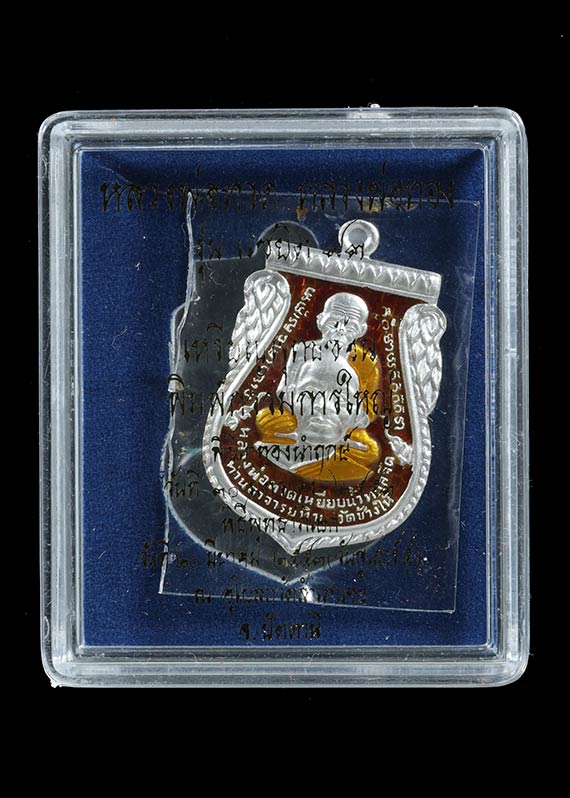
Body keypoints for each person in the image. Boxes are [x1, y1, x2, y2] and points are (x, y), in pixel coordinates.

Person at [256, 292, 381, 482]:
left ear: (362, 330)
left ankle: (308, 460)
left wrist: (342, 423)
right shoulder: (302, 350)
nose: (340, 330)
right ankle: (314, 456)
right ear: (320, 320)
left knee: (370, 450)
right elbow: (285, 390)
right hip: (302, 415)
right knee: (268, 420)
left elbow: (367, 410)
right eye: (334, 322)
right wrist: (305, 410)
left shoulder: (366, 362)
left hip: (341, 423)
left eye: (350, 326)